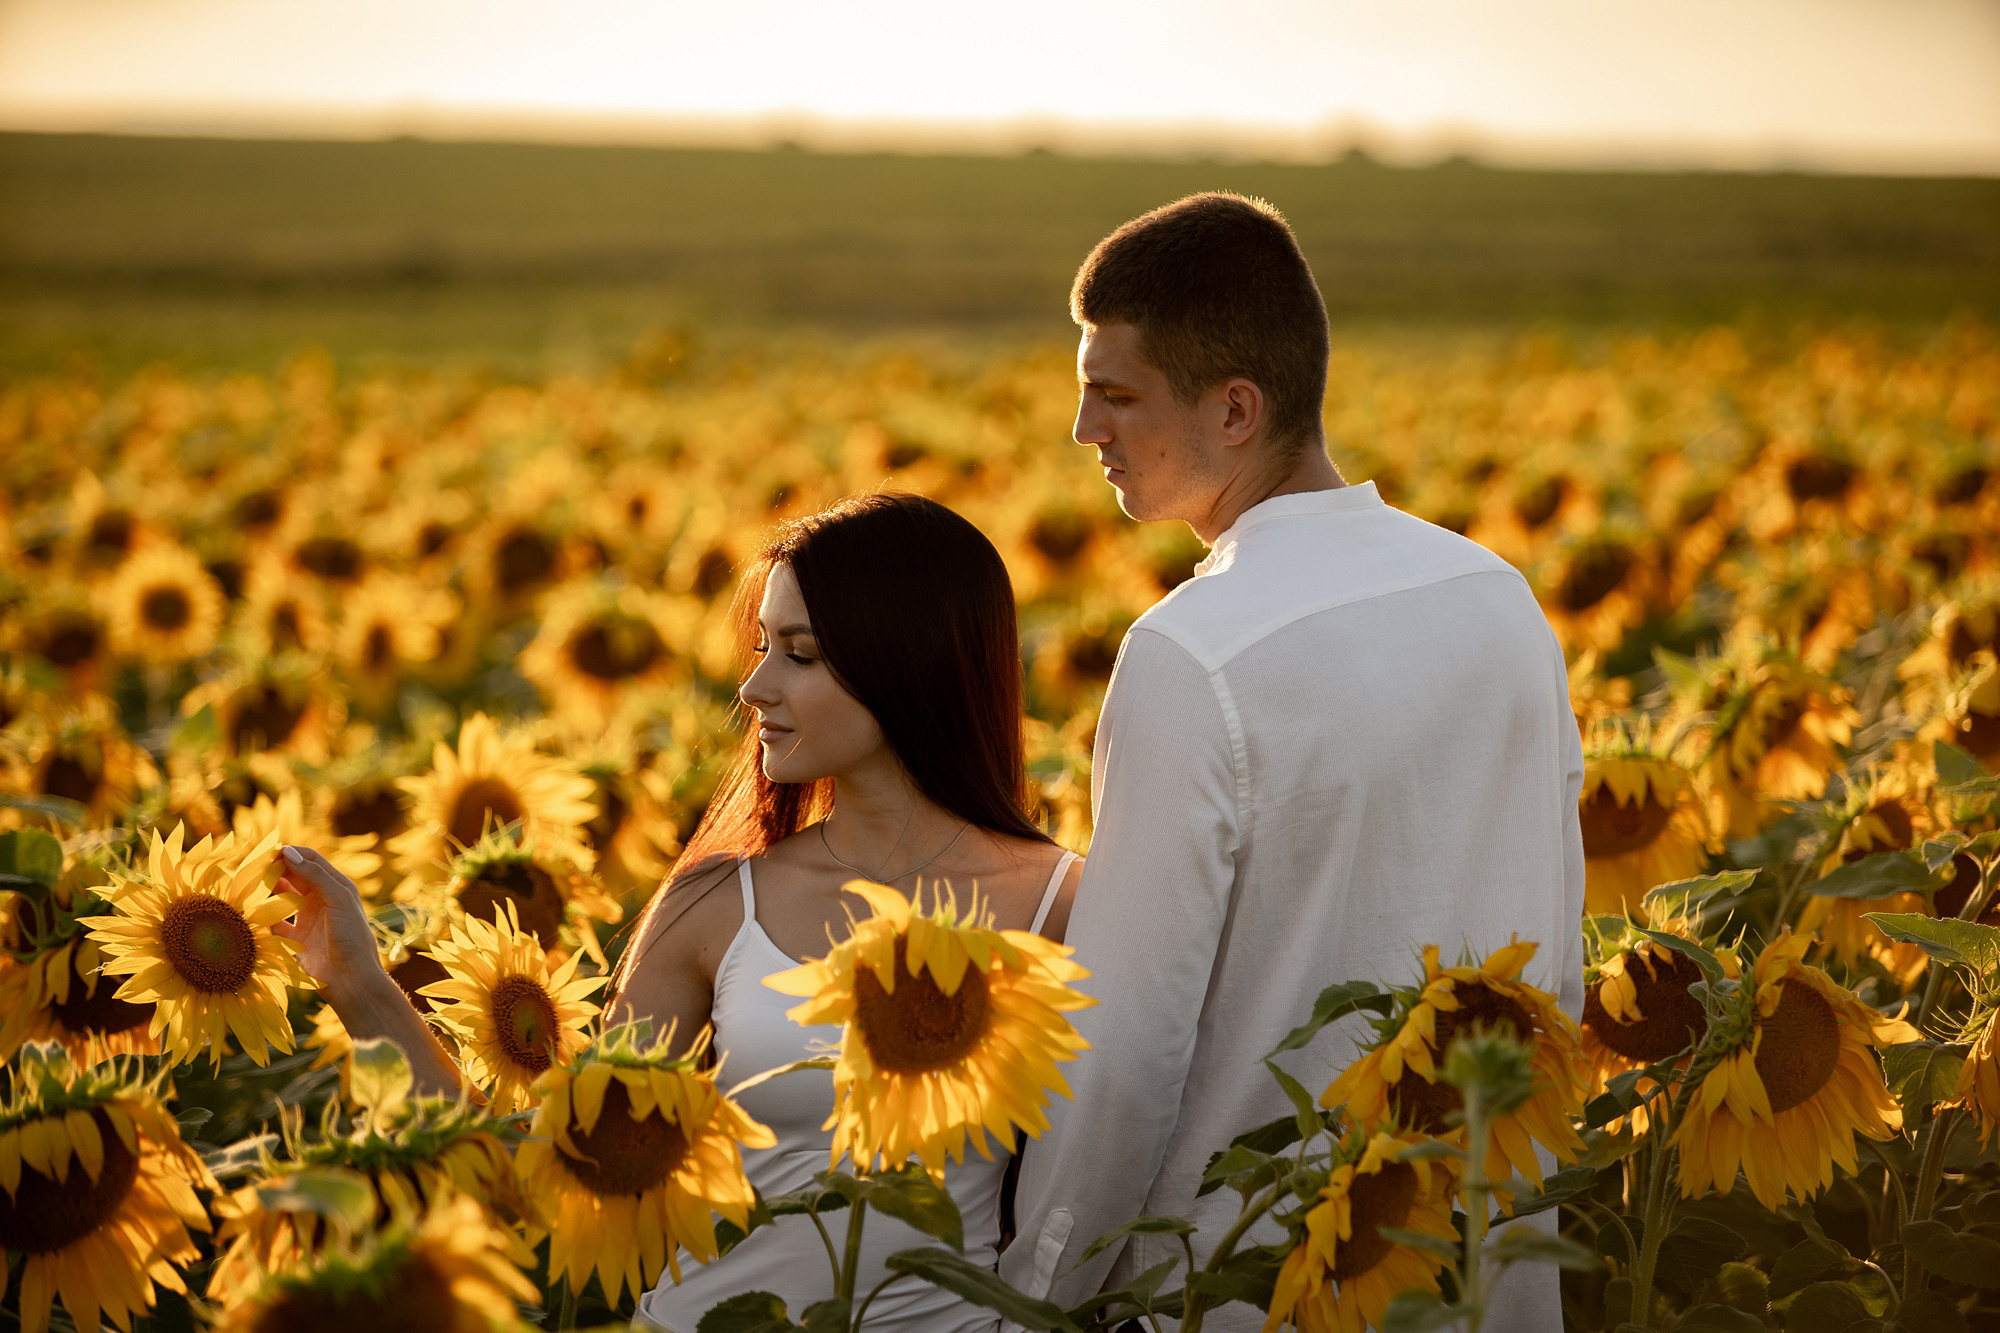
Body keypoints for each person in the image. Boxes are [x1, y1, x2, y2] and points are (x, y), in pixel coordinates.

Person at [276, 492, 1082, 1333]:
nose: (753, 684)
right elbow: (542, 1175)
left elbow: (1120, 1170)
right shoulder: (719, 902)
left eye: (799, 654)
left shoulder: (1063, 902)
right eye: (765, 645)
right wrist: (360, 985)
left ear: (909, 661)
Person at [999, 193, 1584, 1331]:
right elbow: (1551, 968)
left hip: (1245, 1286)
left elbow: (1125, 1048)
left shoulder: (1192, 653)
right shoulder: (1495, 600)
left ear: (1233, 409)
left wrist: (1035, 1296)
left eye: (1114, 395)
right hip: (1476, 1272)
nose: (1082, 431)